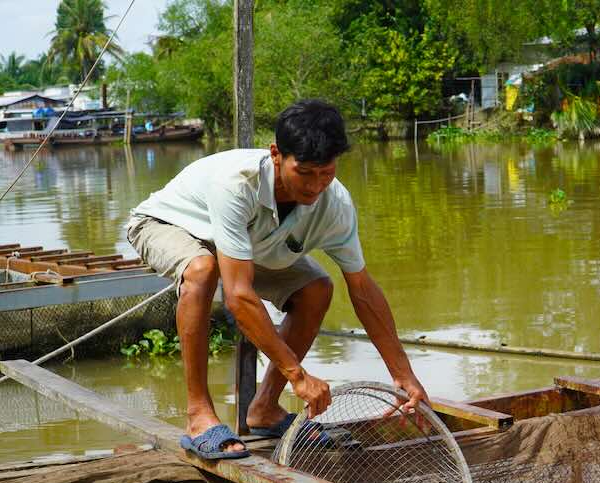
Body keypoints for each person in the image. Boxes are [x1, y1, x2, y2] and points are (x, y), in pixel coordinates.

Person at [126, 99, 428, 459]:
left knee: (316, 287)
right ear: (276, 155)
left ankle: (265, 409)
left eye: (325, 172)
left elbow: (362, 288)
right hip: (171, 225)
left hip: (250, 243)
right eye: (305, 173)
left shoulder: (336, 205)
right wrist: (299, 377)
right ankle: (199, 415)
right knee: (202, 269)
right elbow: (239, 296)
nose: (315, 186)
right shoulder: (237, 185)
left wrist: (403, 375)